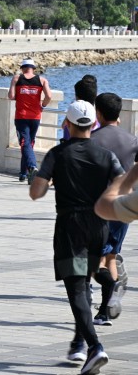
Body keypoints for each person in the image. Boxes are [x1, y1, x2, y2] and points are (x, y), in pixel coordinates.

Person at [30, 101, 122, 373]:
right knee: (89, 275)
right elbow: (123, 182)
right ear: (93, 124)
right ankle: (107, 284)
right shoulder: (106, 155)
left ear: (66, 124)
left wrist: (47, 179)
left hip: (71, 226)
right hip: (99, 224)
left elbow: (36, 192)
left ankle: (94, 347)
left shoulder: (57, 154)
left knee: (77, 288)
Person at [89, 92, 138, 324]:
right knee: (111, 255)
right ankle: (108, 309)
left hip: (98, 206)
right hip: (122, 206)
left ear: (98, 113)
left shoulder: (92, 139)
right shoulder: (132, 140)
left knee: (95, 260)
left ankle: (104, 300)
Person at [9, 57, 52, 182]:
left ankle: (32, 167)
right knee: (28, 144)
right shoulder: (42, 80)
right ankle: (24, 173)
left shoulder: (17, 78)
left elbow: (11, 96)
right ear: (33, 69)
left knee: (25, 143)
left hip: (21, 117)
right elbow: (49, 96)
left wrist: (19, 91)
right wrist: (42, 105)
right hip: (35, 117)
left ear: (22, 68)